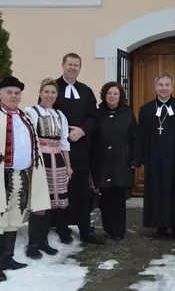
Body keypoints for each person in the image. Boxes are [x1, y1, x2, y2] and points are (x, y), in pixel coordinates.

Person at [0, 76, 51, 282]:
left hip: (21, 175)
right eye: (9, 92)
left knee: (13, 217)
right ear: (0, 94)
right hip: (2, 175)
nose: (14, 96)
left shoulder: (24, 117)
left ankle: (7, 258)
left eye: (17, 93)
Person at [53, 53, 104, 244]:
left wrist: (82, 131)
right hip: (58, 148)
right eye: (70, 64)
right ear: (63, 65)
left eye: (77, 65)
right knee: (61, 188)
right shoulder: (53, 88)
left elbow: (94, 117)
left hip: (81, 147)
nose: (73, 68)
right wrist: (64, 132)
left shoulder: (86, 90)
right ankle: (62, 228)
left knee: (81, 189)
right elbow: (47, 113)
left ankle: (85, 229)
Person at [139, 73, 175, 239]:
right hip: (154, 158)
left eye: (167, 85)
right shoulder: (146, 109)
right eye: (161, 85)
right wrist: (142, 157)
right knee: (157, 190)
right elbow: (141, 136)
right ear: (155, 87)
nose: (164, 88)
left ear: (172, 87)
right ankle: (160, 226)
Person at [24, 78, 73, 259]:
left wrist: (68, 166)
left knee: (52, 202)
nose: (50, 95)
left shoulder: (60, 115)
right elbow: (28, 138)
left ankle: (43, 241)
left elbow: (64, 142)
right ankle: (32, 244)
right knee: (39, 203)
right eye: (46, 91)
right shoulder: (31, 111)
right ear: (40, 93)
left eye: (53, 92)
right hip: (39, 160)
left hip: (57, 160)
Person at [91, 82, 140, 240]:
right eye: (109, 93)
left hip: (121, 162)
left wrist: (134, 159)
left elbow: (135, 138)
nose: (112, 96)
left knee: (118, 199)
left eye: (115, 94)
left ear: (120, 97)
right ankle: (108, 229)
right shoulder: (97, 114)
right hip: (102, 162)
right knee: (105, 199)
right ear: (104, 96)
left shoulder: (127, 114)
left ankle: (118, 231)